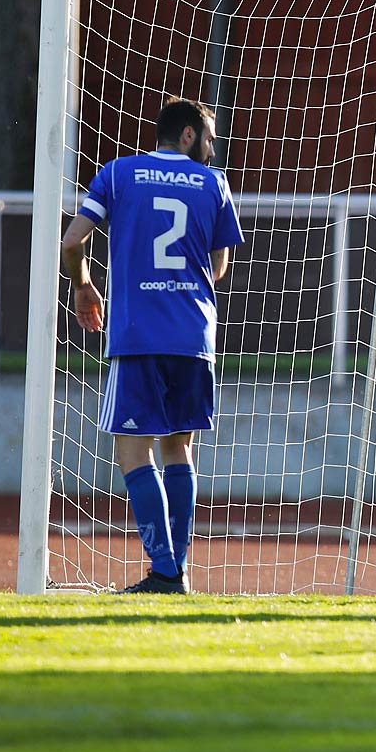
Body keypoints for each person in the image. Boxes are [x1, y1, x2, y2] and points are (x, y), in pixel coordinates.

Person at [60, 97, 245, 595]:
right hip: (193, 336)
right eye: (208, 138)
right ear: (187, 136)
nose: (211, 148)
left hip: (138, 336)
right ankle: (176, 567)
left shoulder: (118, 174)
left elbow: (72, 238)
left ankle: (163, 569)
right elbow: (220, 267)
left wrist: (83, 284)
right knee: (178, 448)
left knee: (130, 449)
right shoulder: (214, 183)